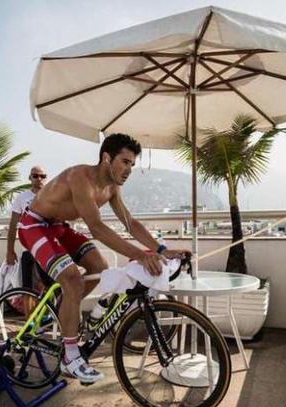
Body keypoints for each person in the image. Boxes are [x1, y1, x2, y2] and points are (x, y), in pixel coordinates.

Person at [18, 134, 187, 384]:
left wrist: (160, 249)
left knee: (100, 268)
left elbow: (130, 223)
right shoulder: (80, 178)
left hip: (58, 226)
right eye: (125, 162)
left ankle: (65, 308)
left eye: (132, 164)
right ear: (107, 158)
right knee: (73, 280)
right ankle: (70, 357)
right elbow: (96, 228)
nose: (129, 169)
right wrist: (140, 256)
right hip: (34, 225)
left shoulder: (112, 188)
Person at [5, 165, 47, 266]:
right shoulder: (21, 198)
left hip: (48, 249)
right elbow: (13, 225)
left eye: (43, 176)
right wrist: (10, 251)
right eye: (35, 176)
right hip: (28, 250)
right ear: (30, 178)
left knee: (49, 282)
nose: (39, 179)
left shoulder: (52, 196)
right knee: (27, 282)